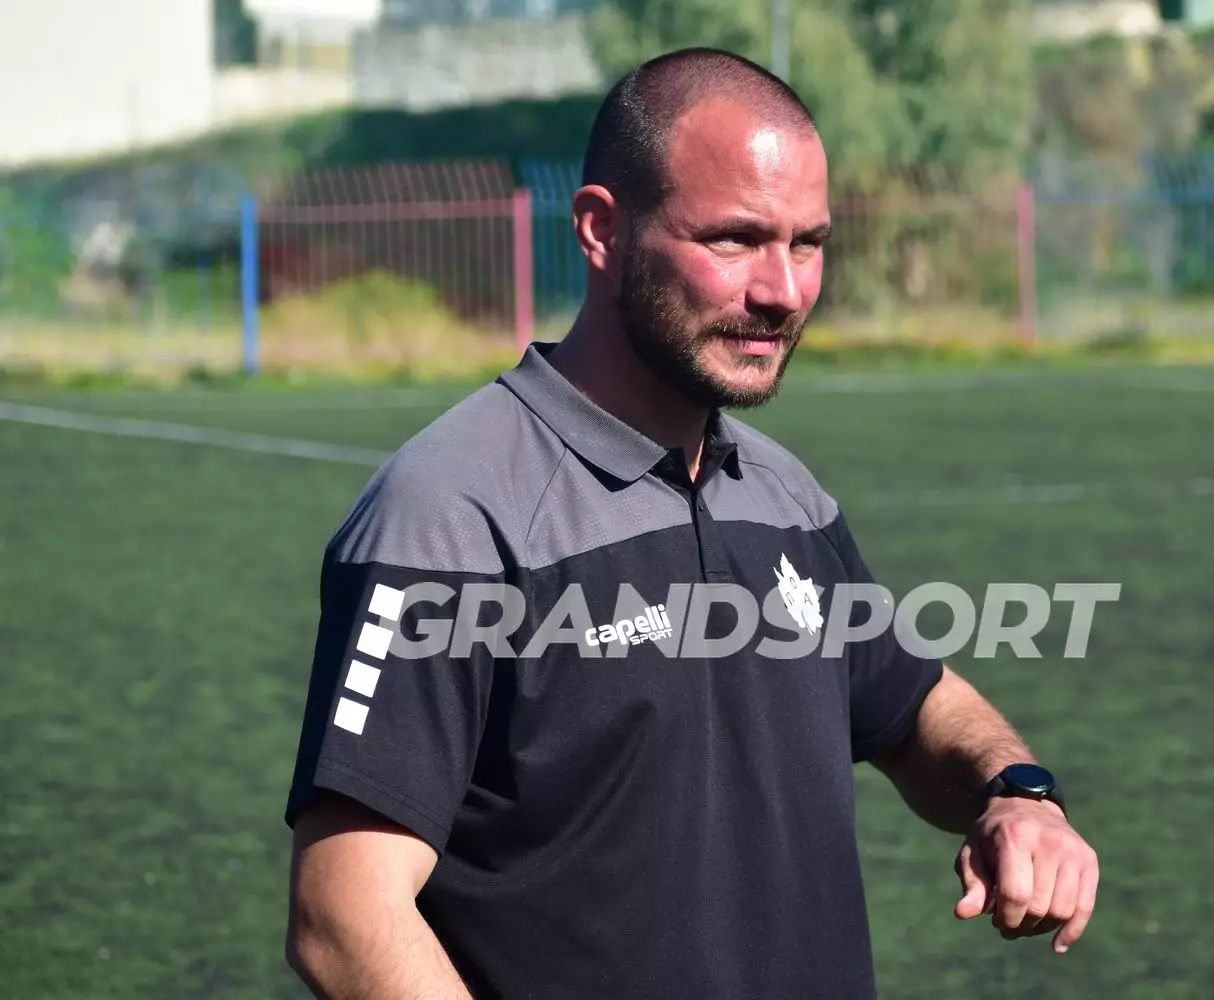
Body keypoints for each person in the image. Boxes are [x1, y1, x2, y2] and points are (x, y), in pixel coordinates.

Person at [282, 47, 1098, 1000]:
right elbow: (345, 918)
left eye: (807, 243)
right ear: (601, 230)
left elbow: (916, 706)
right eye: (736, 240)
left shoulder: (785, 495)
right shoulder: (448, 513)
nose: (782, 291)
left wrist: (1017, 794)